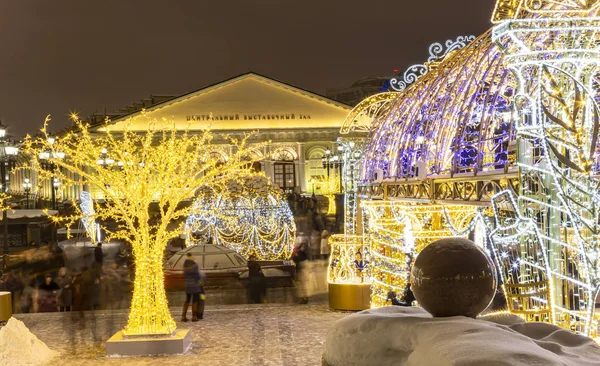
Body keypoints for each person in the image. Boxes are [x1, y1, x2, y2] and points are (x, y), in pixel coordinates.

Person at [182, 253, 201, 322]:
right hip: (195, 285)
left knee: (187, 300)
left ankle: (183, 316)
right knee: (195, 300)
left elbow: (184, 274)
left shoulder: (185, 265)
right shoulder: (194, 265)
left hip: (188, 285)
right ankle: (194, 316)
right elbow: (197, 276)